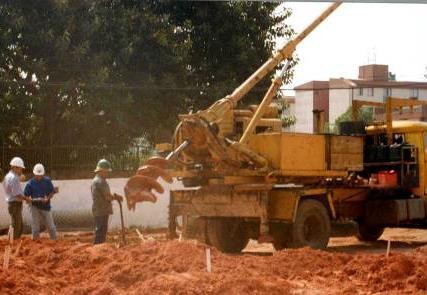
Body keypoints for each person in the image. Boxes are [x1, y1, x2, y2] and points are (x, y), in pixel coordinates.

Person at [91, 159, 123, 244]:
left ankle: (98, 247)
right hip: (102, 210)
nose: (108, 174)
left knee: (100, 230)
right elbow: (108, 197)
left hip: (99, 209)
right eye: (107, 172)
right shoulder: (101, 181)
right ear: (102, 171)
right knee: (101, 231)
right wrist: (116, 197)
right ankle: (98, 248)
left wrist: (115, 197)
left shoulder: (95, 180)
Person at [24, 163, 57, 240]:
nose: (39, 177)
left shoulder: (47, 181)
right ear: (34, 173)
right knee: (35, 227)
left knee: (51, 226)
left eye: (40, 175)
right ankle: (35, 242)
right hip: (34, 206)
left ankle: (54, 241)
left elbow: (52, 192)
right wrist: (32, 200)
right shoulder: (30, 184)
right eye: (37, 175)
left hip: (46, 206)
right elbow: (25, 196)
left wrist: (47, 198)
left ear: (43, 174)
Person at [2, 157, 30, 239]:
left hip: (12, 203)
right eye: (20, 169)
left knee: (16, 223)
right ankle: (14, 241)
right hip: (15, 203)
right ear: (15, 167)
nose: (21, 171)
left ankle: (12, 240)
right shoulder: (14, 178)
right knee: (17, 225)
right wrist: (26, 199)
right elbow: (17, 194)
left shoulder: (8, 176)